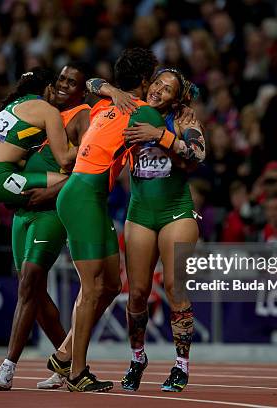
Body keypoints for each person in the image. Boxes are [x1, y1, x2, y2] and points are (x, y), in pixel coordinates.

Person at [52, 48, 167, 392]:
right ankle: (76, 373)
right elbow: (165, 126)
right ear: (146, 82)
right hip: (82, 195)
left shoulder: (103, 104)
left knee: (113, 286)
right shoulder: (145, 111)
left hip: (87, 196)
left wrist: (110, 90)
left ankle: (63, 355)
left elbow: (91, 84)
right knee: (91, 289)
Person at [87, 67, 205, 392]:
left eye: (167, 89)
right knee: (137, 292)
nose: (158, 91)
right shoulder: (134, 107)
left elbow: (199, 153)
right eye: (157, 83)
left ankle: (181, 366)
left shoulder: (183, 118)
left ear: (176, 97)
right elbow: (90, 84)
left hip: (176, 211)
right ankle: (137, 358)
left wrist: (161, 136)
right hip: (139, 213)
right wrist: (114, 91)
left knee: (175, 288)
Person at [0, 63, 92, 391]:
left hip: (50, 211)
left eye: (71, 82)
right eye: (60, 79)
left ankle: (8, 366)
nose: (63, 85)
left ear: (81, 91)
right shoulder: (43, 112)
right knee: (31, 288)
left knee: (30, 281)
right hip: (23, 211)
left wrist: (49, 191)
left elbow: (88, 168)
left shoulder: (82, 116)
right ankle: (70, 363)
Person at [0, 67, 76, 208]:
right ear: (49, 88)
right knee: (73, 185)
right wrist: (90, 143)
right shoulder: (47, 110)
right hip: (0, 179)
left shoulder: (14, 104)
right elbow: (64, 159)